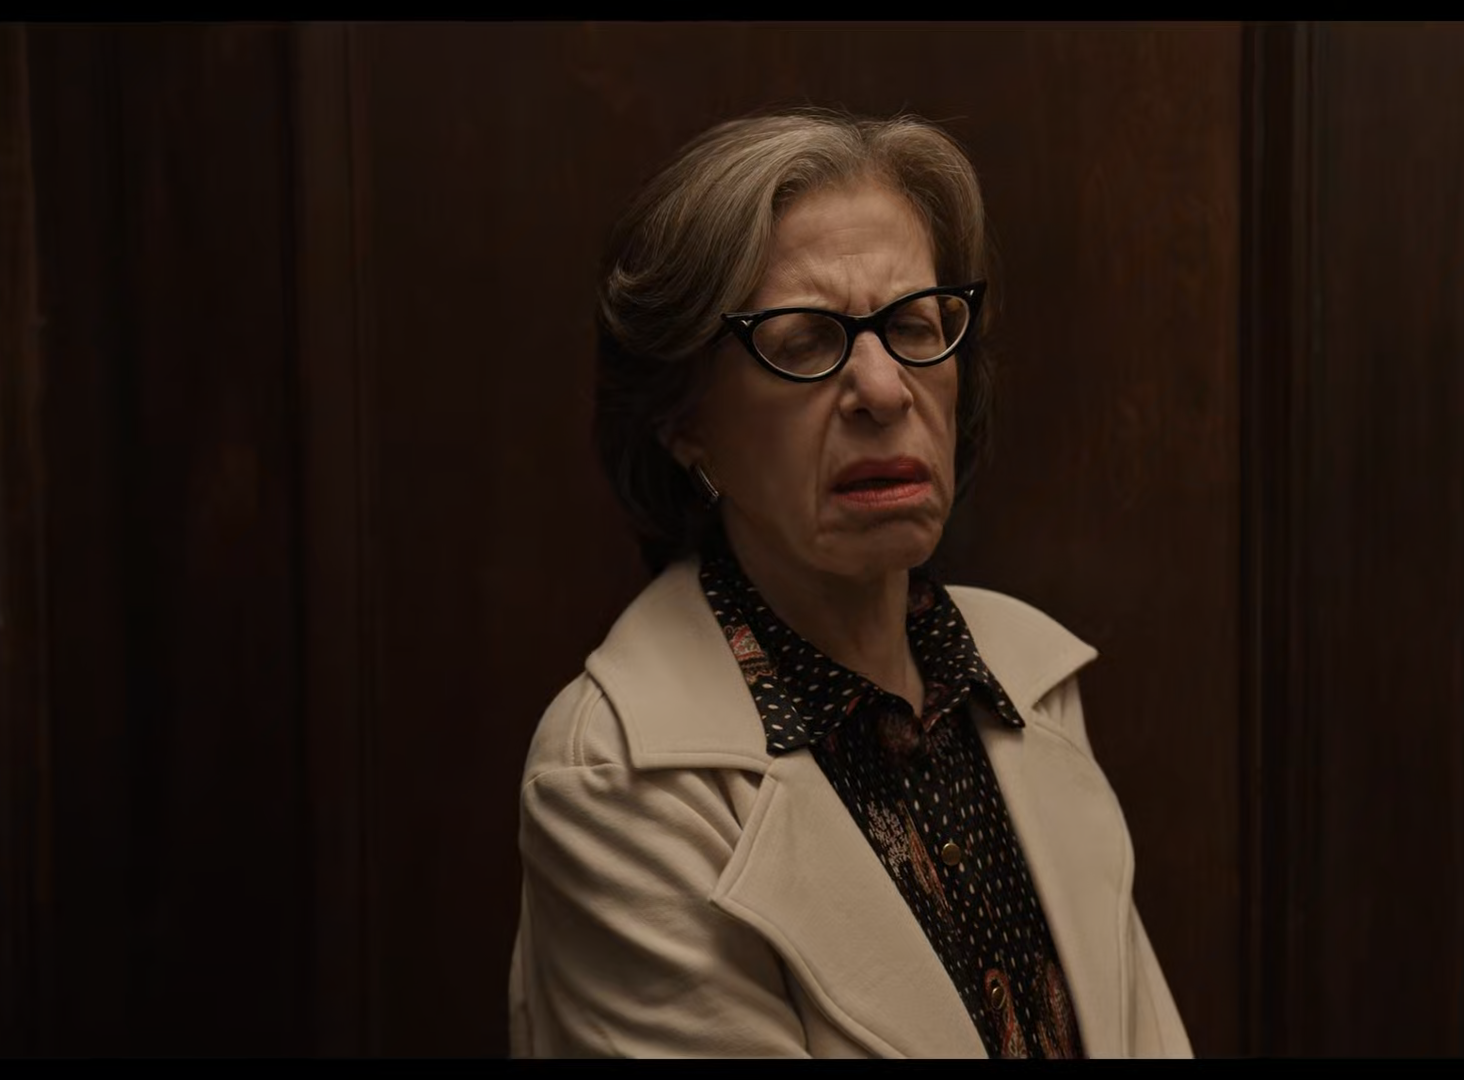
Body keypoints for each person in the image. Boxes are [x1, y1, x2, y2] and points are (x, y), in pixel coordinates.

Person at [507, 107, 1191, 1059]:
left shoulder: (1024, 684)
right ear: (683, 419)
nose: (883, 389)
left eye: (913, 325)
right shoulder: (616, 779)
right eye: (802, 341)